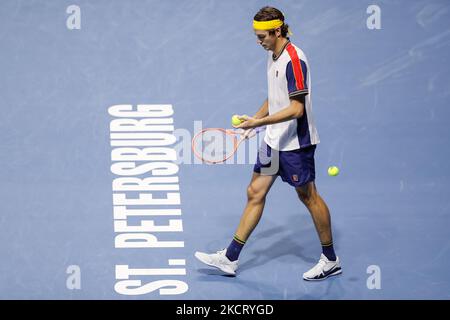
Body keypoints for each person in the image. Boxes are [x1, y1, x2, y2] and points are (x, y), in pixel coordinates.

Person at [195, 6, 342, 281]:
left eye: (262, 36)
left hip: (296, 144)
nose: (258, 40)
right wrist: (256, 119)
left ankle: (330, 259)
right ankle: (230, 257)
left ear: (277, 31)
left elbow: (297, 109)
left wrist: (258, 124)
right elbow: (276, 97)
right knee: (255, 192)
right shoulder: (273, 55)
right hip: (274, 140)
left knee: (308, 196)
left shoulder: (294, 61)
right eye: (256, 35)